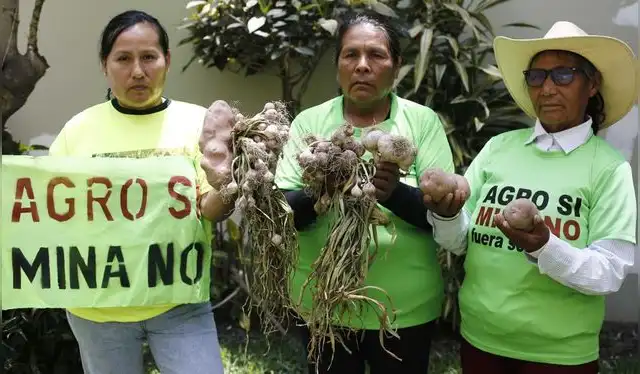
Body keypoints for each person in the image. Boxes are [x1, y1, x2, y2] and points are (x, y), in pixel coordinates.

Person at [422, 21, 637, 374]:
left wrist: (543, 245)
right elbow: (460, 242)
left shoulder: (608, 168)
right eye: (536, 77)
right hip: (481, 339)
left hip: (559, 355)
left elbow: (609, 272)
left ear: (593, 84)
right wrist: (446, 215)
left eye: (564, 75)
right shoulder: (498, 148)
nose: (548, 88)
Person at [48, 10, 235, 374]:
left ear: (167, 61)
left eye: (149, 57)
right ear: (105, 65)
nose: (137, 71)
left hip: (179, 303)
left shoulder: (198, 123)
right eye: (123, 58)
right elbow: (53, 214)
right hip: (98, 309)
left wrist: (230, 186)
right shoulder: (77, 130)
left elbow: (210, 209)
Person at [274, 12, 455, 373]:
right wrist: (323, 188)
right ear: (338, 64)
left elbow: (443, 214)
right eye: (350, 55)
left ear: (397, 66)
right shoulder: (310, 123)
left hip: (403, 309)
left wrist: (395, 194)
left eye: (376, 55)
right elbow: (286, 212)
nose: (362, 66)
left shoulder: (421, 122)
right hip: (322, 303)